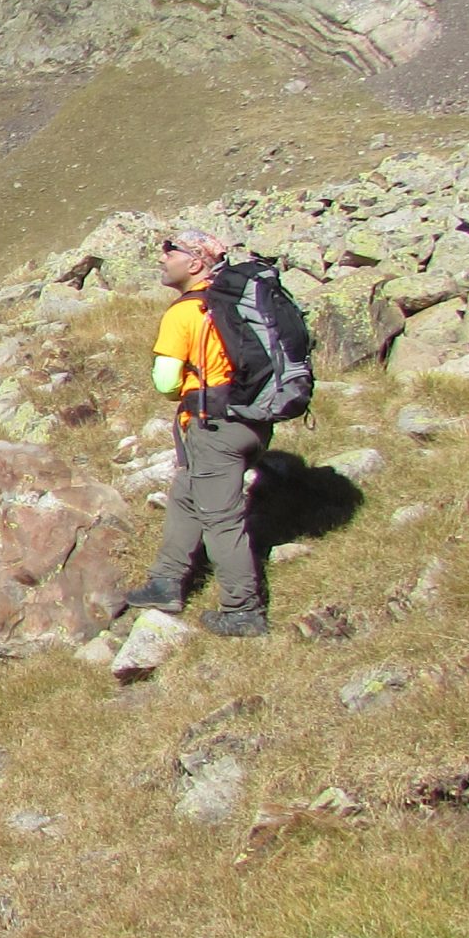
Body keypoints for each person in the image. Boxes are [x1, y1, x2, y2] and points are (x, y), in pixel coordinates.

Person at [126, 230, 270, 637]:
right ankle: (165, 581)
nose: (161, 260)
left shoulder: (185, 312)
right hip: (253, 420)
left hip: (215, 426)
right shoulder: (233, 302)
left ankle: (243, 610)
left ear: (194, 263)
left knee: (221, 519)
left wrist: (188, 383)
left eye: (169, 253)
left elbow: (166, 382)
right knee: (186, 495)